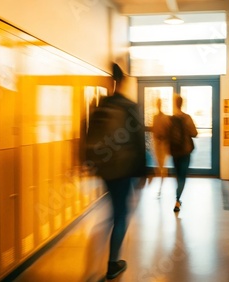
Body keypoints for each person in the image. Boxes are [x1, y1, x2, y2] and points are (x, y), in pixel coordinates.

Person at [85, 63, 146, 279]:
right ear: (123, 82)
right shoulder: (130, 106)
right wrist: (143, 172)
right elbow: (139, 140)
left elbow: (88, 135)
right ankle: (113, 263)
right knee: (120, 215)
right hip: (123, 169)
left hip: (105, 169)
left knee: (111, 211)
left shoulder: (100, 105)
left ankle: (93, 258)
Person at [169, 95, 198, 212]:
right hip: (185, 151)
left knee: (178, 176)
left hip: (174, 152)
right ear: (182, 104)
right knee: (182, 177)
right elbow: (194, 133)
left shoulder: (170, 119)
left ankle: (178, 195)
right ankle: (177, 200)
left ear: (174, 104)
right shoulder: (187, 118)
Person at [152, 98, 171, 196]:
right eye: (157, 103)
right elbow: (154, 130)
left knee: (162, 165)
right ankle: (160, 183)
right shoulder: (155, 117)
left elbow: (167, 131)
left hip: (163, 143)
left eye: (159, 103)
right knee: (159, 165)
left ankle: (161, 186)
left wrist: (163, 140)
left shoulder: (165, 117)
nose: (158, 105)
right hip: (157, 143)